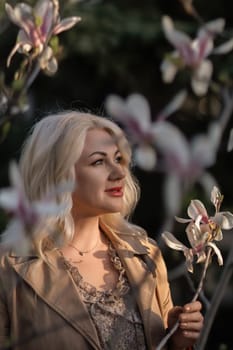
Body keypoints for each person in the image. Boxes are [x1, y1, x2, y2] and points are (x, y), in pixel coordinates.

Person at [0, 111, 203, 350]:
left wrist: (178, 341)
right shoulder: (8, 266)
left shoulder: (145, 256)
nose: (119, 173)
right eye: (98, 161)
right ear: (59, 175)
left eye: (118, 159)